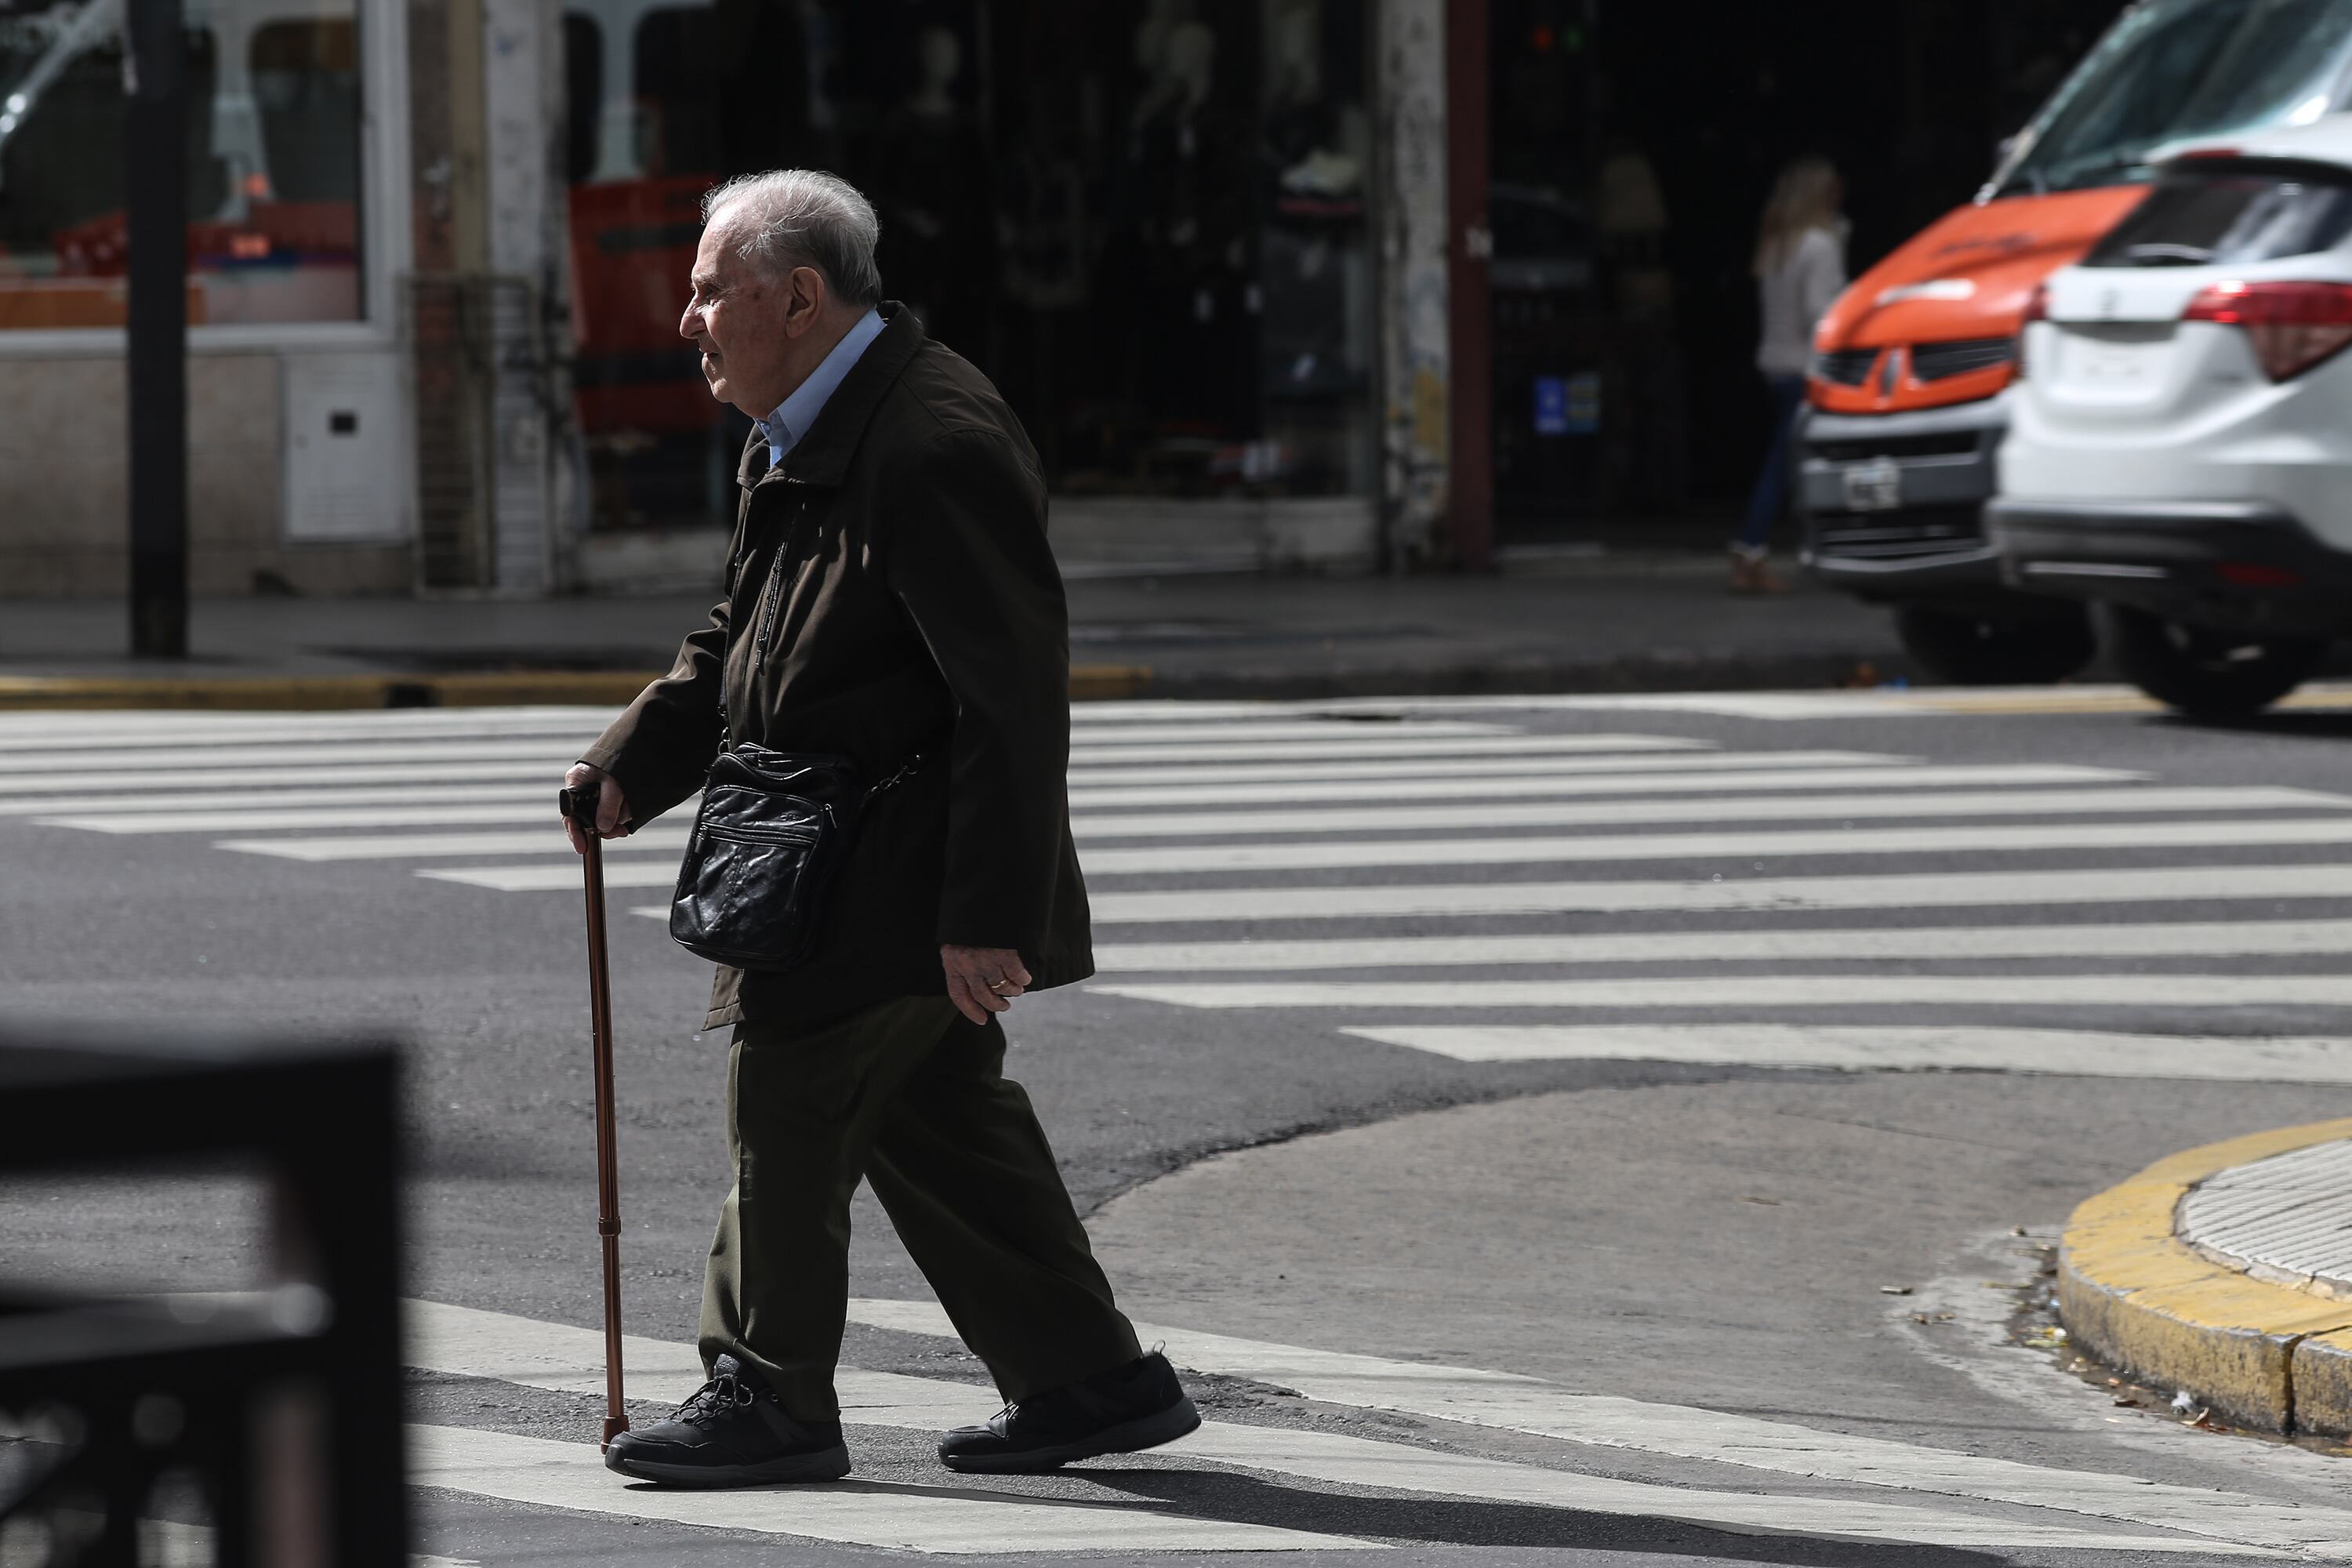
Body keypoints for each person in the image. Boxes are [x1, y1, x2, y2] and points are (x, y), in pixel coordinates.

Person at [561, 169, 1198, 1488]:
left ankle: (766, 1392)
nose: (685, 318)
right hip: (832, 844)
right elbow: (746, 632)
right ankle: (1088, 1377)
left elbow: (1012, 701)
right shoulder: (803, 426)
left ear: (795, 298)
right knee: (934, 1116)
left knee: (789, 1082)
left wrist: (986, 916)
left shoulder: (930, 442)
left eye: (704, 292)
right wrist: (638, 759)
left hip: (898, 864)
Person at [1733, 156, 1846, 594]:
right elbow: (1820, 312)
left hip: (1776, 364)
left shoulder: (1780, 243)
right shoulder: (1820, 244)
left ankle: (1755, 550)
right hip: (1806, 367)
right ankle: (1751, 550)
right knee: (1787, 465)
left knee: (1787, 462)